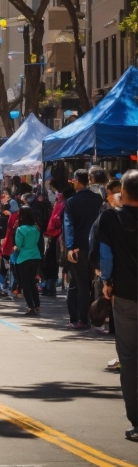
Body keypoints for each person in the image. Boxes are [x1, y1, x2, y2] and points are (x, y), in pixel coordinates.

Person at [97, 169, 138, 441]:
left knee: (129, 359)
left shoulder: (111, 217)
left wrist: (107, 281)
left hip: (126, 296)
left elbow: (105, 255)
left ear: (121, 192)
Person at [63, 169, 103, 329]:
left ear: (78, 181)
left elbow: (69, 226)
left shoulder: (72, 202)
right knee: (84, 282)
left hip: (78, 248)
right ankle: (79, 316)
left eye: (73, 180)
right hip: (95, 247)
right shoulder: (98, 200)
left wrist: (70, 247)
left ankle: (82, 319)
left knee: (81, 284)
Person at [14, 206, 42, 315]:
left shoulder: (20, 229)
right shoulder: (36, 228)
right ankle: (37, 304)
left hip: (24, 258)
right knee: (32, 283)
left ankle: (30, 307)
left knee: (25, 284)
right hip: (36, 256)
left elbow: (19, 245)